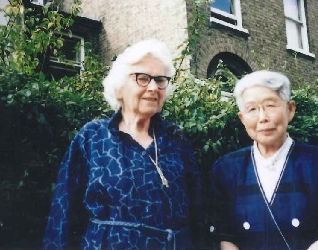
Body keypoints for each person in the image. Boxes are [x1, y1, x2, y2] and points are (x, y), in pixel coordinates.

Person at [43, 39, 201, 249]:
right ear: (119, 88)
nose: (153, 87)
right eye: (143, 78)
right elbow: (63, 214)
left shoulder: (175, 138)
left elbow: (198, 211)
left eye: (160, 80)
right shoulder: (93, 137)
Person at [209, 71, 318, 250]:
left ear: (290, 109)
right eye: (252, 109)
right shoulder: (226, 169)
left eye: (270, 105)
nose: (263, 118)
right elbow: (224, 237)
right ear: (242, 118)